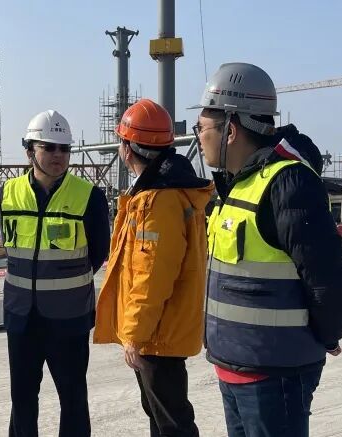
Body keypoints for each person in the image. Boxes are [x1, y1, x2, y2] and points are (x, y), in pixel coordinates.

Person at [189, 62, 342, 437]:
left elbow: (329, 278)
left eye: (203, 128)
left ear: (230, 130)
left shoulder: (288, 183)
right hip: (235, 366)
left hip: (275, 374)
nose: (198, 137)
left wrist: (328, 334)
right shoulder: (236, 186)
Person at [94, 98, 214, 437]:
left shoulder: (158, 201)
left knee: (172, 423)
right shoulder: (158, 193)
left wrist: (135, 332)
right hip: (160, 330)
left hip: (157, 335)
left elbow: (152, 274)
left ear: (128, 148)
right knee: (162, 419)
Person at [0, 109, 110, 437]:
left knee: (73, 399)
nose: (58, 155)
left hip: (69, 318)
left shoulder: (89, 197)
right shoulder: (7, 193)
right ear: (29, 151)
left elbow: (98, 253)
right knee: (22, 399)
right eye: (48, 147)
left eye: (64, 148)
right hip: (21, 317)